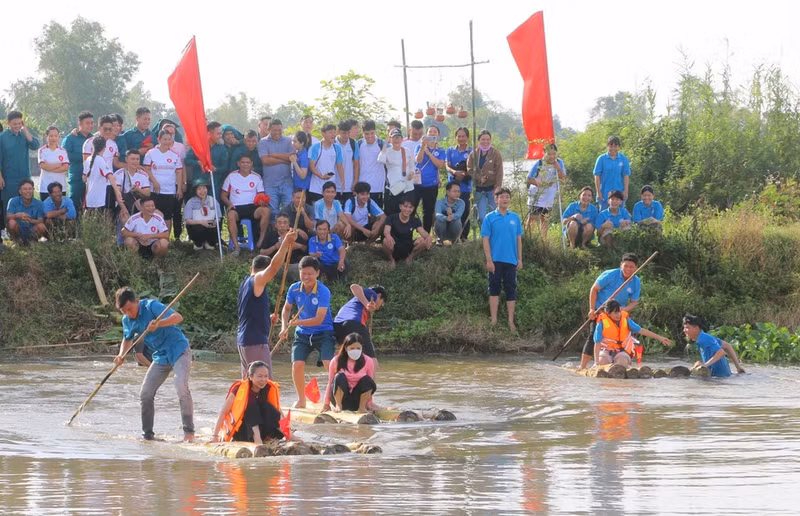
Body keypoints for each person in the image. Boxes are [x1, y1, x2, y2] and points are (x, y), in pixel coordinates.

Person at [113, 287, 194, 442]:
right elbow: (127, 339)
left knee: (180, 386)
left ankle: (189, 433)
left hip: (178, 349)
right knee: (145, 394)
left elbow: (178, 317)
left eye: (130, 309)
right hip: (160, 356)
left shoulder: (152, 306)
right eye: (124, 312)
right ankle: (148, 435)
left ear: (137, 301)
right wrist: (121, 355)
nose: (129, 314)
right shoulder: (127, 320)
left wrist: (159, 323)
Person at [237, 234, 298, 380]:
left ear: (251, 268)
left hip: (245, 340)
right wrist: (285, 243)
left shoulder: (246, 283)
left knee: (249, 383)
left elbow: (249, 311)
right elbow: (273, 267)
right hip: (255, 340)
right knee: (264, 382)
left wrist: (267, 318)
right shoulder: (257, 279)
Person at [279, 256, 336, 409]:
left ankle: (335, 399)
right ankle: (301, 400)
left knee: (329, 364)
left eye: (310, 273)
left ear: (317, 273)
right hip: (302, 334)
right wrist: (284, 327)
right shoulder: (294, 288)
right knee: (297, 364)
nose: (306, 277)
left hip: (324, 332)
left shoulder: (323, 291)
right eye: (303, 273)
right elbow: (286, 309)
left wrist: (297, 322)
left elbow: (319, 319)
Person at [580, 253, 642, 370]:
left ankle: (622, 365)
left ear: (636, 268)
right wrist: (592, 309)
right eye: (626, 266)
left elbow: (634, 302)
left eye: (631, 267)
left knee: (623, 338)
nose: (628, 269)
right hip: (601, 311)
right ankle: (582, 366)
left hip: (619, 314)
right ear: (621, 265)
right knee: (593, 336)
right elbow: (594, 289)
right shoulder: (610, 274)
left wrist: (623, 310)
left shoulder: (636, 281)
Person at [212, 360, 284, 443]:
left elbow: (276, 410)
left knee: (266, 406)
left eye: (266, 376)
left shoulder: (268, 388)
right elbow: (223, 412)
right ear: (251, 376)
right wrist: (215, 436)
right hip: (242, 432)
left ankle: (288, 435)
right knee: (252, 407)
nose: (263, 379)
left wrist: (287, 427)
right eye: (260, 376)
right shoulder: (238, 389)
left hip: (262, 429)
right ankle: (257, 439)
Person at [482, 187, 523, 332]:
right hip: (495, 260)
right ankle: (493, 320)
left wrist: (520, 259)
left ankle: (511, 322)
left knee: (511, 289)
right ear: (496, 199)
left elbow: (519, 239)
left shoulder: (515, 217)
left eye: (507, 197)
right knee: (494, 288)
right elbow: (485, 240)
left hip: (511, 260)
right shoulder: (489, 218)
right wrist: (489, 260)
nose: (505, 199)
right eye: (502, 197)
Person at [593, 300, 672, 367]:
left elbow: (641, 330)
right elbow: (597, 343)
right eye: (615, 313)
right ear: (608, 313)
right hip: (606, 351)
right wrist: (596, 362)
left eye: (619, 311)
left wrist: (660, 338)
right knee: (601, 362)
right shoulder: (602, 322)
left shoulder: (625, 319)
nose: (619, 315)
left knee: (621, 363)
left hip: (622, 352)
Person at [222, 154, 271, 255]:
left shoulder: (256, 177)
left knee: (266, 211)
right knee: (230, 214)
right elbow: (223, 195)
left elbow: (261, 194)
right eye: (243, 162)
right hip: (236, 207)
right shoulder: (231, 176)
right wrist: (229, 204)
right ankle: (236, 247)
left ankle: (260, 243)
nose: (245, 164)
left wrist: (261, 201)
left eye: (248, 162)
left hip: (252, 206)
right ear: (238, 164)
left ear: (251, 164)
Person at [0, 111, 40, 233]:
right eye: (14, 124)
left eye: (19, 123)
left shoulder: (24, 135)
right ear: (8, 123)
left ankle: (25, 232)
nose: (17, 126)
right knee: (8, 204)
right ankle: (8, 231)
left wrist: (25, 130)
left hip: (25, 177)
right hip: (9, 178)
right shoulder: (2, 137)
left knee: (26, 203)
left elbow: (35, 145)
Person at [321, 333, 377, 414]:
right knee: (339, 376)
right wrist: (326, 404)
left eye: (358, 348)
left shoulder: (368, 361)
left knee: (368, 380)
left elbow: (369, 385)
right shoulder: (336, 360)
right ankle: (338, 406)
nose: (355, 350)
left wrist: (369, 403)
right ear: (346, 348)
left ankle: (362, 408)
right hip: (340, 399)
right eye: (352, 348)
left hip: (357, 401)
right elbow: (330, 383)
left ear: (362, 348)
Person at [143, 129, 184, 232]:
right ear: (159, 140)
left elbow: (179, 172)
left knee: (167, 216)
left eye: (169, 139)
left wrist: (179, 189)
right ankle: (154, 236)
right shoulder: (151, 153)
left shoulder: (175, 155)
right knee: (154, 215)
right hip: (154, 191)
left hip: (169, 191)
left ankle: (166, 238)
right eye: (165, 139)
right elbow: (146, 169)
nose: (167, 142)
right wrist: (154, 182)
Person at [333, 284, 387, 361]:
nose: (380, 307)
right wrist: (367, 304)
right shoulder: (373, 294)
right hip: (353, 323)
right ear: (380, 295)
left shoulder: (354, 302)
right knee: (371, 359)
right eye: (382, 303)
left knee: (349, 358)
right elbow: (354, 287)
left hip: (337, 327)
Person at [527, 143, 567, 237]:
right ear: (544, 153)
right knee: (532, 218)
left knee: (545, 218)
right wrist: (542, 184)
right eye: (549, 154)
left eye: (554, 154)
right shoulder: (539, 163)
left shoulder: (559, 162)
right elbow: (529, 178)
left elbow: (563, 179)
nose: (552, 156)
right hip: (536, 194)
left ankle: (544, 241)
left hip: (549, 196)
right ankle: (529, 238)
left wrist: (558, 168)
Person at [257, 119, 294, 216]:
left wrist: (273, 154)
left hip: (287, 182)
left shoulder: (288, 141)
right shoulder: (263, 142)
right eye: (274, 130)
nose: (277, 132)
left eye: (279, 130)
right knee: (273, 212)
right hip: (270, 184)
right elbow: (265, 160)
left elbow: (292, 157)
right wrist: (284, 160)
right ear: (269, 129)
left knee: (288, 211)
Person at [184, 121, 228, 201]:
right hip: (198, 184)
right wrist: (198, 163)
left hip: (214, 184)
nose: (220, 136)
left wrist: (216, 169)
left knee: (213, 206)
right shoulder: (198, 146)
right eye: (218, 134)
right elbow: (187, 160)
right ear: (209, 133)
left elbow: (225, 167)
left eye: (221, 134)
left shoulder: (222, 148)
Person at [382, 197, 432, 268]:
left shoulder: (415, 220)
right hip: (394, 245)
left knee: (423, 241)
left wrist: (428, 237)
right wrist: (388, 236)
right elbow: (386, 231)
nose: (407, 209)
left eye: (410, 207)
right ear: (400, 206)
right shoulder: (391, 218)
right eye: (405, 206)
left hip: (408, 246)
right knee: (385, 240)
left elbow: (423, 232)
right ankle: (391, 259)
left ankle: (410, 258)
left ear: (413, 208)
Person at [413, 125, 445, 233]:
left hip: (431, 185)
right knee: (412, 208)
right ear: (426, 134)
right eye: (430, 132)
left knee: (428, 211)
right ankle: (408, 234)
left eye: (434, 132)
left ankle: (426, 235)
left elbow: (440, 165)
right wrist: (423, 148)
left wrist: (429, 153)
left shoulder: (440, 150)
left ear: (438, 135)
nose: (432, 133)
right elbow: (418, 160)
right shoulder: (419, 147)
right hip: (417, 184)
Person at [469, 130, 504, 228]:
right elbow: (470, 169)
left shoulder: (495, 153)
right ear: (479, 140)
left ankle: (495, 233)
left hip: (492, 189)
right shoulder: (474, 154)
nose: (485, 142)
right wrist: (479, 178)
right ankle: (484, 233)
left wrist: (498, 187)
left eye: (488, 139)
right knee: (482, 216)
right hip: (479, 189)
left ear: (490, 140)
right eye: (483, 139)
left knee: (495, 214)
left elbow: (499, 171)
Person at [83, 135, 125, 217]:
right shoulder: (100, 160)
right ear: (104, 147)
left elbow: (84, 178)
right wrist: (117, 191)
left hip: (89, 196)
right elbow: (110, 176)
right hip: (99, 197)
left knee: (88, 215)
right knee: (100, 217)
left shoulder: (88, 159)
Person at [63, 111, 94, 213]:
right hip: (76, 177)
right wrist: (85, 157)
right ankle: (72, 223)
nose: (90, 125)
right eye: (87, 123)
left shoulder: (94, 139)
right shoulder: (70, 138)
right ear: (80, 124)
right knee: (74, 204)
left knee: (90, 205)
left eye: (92, 123)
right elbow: (65, 156)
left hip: (92, 178)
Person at [446, 127, 473, 240]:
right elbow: (447, 166)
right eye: (459, 136)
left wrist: (464, 174)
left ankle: (463, 238)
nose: (461, 138)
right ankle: (450, 237)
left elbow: (474, 168)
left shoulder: (471, 151)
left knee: (464, 212)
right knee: (450, 212)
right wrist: (454, 172)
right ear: (456, 137)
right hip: (451, 188)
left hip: (465, 188)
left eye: (463, 136)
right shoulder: (450, 150)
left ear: (467, 137)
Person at [379, 128, 413, 216]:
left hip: (406, 187)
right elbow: (380, 159)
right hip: (393, 188)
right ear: (390, 139)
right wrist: (385, 144)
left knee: (405, 214)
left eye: (398, 137)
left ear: (402, 139)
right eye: (394, 137)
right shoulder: (387, 151)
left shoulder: (407, 151)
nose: (396, 140)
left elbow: (412, 166)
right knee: (390, 214)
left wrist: (412, 173)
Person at [308, 124, 344, 204]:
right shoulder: (315, 147)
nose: (333, 135)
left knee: (330, 208)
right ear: (323, 134)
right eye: (330, 132)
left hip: (331, 187)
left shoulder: (337, 148)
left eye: (334, 132)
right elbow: (312, 166)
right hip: (316, 186)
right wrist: (321, 176)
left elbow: (340, 166)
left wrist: (342, 182)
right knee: (317, 209)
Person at [593, 135, 631, 211]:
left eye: (615, 146)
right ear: (607, 146)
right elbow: (597, 176)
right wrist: (598, 192)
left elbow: (626, 175)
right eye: (611, 145)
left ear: (619, 147)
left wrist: (626, 192)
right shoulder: (601, 159)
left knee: (620, 214)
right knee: (604, 215)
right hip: (604, 193)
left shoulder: (623, 158)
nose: (613, 148)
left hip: (619, 192)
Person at [184, 178, 222, 250]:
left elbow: (219, 217)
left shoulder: (212, 200)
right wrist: (202, 222)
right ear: (195, 191)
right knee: (198, 228)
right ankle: (198, 244)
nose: (202, 191)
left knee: (215, 228)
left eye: (204, 188)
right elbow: (188, 220)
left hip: (210, 225)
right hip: (197, 226)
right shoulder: (191, 202)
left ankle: (209, 242)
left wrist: (214, 222)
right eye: (199, 189)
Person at [357, 120, 387, 208]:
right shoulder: (358, 144)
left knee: (377, 213)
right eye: (367, 134)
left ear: (375, 132)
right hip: (362, 186)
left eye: (372, 133)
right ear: (363, 133)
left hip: (377, 186)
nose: (370, 136)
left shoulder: (381, 143)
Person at [6, 178, 46, 243]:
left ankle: (32, 242)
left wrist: (30, 220)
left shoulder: (39, 203)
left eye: (30, 189)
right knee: (11, 222)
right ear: (20, 191)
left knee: (41, 226)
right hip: (18, 228)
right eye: (25, 189)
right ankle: (17, 241)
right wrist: (18, 215)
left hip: (32, 229)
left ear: (33, 190)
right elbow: (8, 216)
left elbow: (41, 220)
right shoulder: (13, 201)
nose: (28, 191)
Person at [114, 150, 151, 217]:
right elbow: (117, 196)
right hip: (123, 205)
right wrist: (124, 210)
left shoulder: (144, 175)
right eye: (133, 159)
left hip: (138, 205)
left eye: (137, 159)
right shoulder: (118, 174)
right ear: (126, 159)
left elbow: (147, 193)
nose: (135, 161)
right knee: (125, 217)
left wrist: (138, 189)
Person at [37, 126, 69, 201]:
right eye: (51, 136)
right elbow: (43, 166)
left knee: (60, 207)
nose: (53, 138)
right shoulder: (42, 150)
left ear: (59, 137)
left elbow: (65, 168)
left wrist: (49, 168)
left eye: (55, 136)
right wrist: (59, 165)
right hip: (45, 187)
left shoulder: (63, 151)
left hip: (61, 187)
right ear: (46, 137)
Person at [335, 121, 360, 205]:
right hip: (333, 186)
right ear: (338, 131)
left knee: (348, 210)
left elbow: (356, 164)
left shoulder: (353, 144)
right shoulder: (332, 143)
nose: (346, 136)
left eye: (348, 133)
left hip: (349, 187)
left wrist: (355, 181)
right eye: (344, 133)